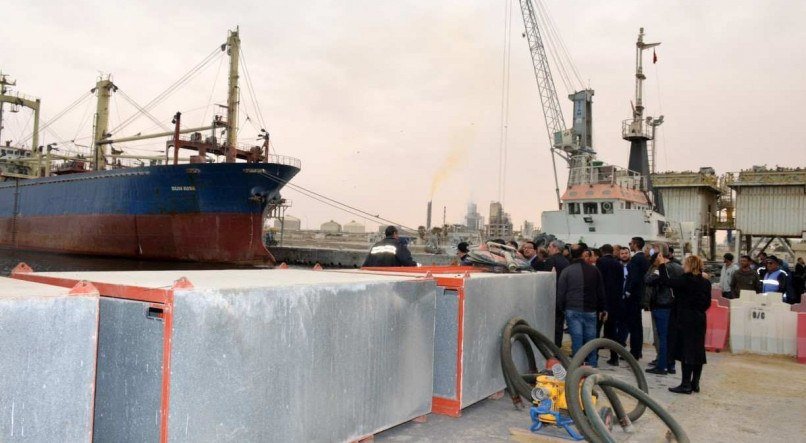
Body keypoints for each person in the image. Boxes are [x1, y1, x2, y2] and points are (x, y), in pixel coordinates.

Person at [656, 254, 710, 394]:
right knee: (698, 350)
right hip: (699, 319)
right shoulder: (705, 282)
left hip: (684, 319)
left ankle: (685, 384)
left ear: (689, 265)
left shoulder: (685, 280)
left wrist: (662, 265)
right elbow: (707, 303)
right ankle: (695, 383)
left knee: (686, 351)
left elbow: (666, 281)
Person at [557, 244, 606, 367]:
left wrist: (561, 308)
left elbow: (561, 292)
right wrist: (602, 308)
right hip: (590, 309)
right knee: (591, 339)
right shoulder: (594, 270)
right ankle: (592, 365)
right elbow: (600, 291)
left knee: (577, 339)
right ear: (583, 253)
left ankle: (577, 367)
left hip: (572, 309)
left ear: (571, 254)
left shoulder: (567, 271)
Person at [644, 245, 683, 375]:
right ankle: (671, 365)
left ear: (660, 255)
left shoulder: (661, 269)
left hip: (661, 305)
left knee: (662, 338)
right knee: (671, 337)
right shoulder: (678, 267)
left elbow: (648, 280)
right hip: (674, 306)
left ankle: (662, 366)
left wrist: (655, 266)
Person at [536, 240, 571, 347]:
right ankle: (557, 347)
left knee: (549, 324)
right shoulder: (566, 262)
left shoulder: (550, 261)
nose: (548, 249)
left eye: (550, 247)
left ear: (555, 248)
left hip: (551, 297)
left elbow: (545, 280)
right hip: (563, 297)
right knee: (559, 325)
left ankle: (549, 348)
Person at [597, 244, 626, 366]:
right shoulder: (618, 264)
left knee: (596, 329)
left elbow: (599, 281)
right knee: (612, 330)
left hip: (603, 300)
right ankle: (614, 357)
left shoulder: (600, 262)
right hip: (615, 301)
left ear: (602, 252)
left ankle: (594, 356)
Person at [624, 236, 650, 360]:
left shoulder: (636, 259)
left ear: (635, 245)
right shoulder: (644, 258)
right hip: (639, 295)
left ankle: (634, 352)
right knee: (637, 325)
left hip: (633, 297)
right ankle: (637, 350)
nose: (630, 245)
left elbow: (633, 278)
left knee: (634, 325)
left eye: (631, 243)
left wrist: (627, 292)